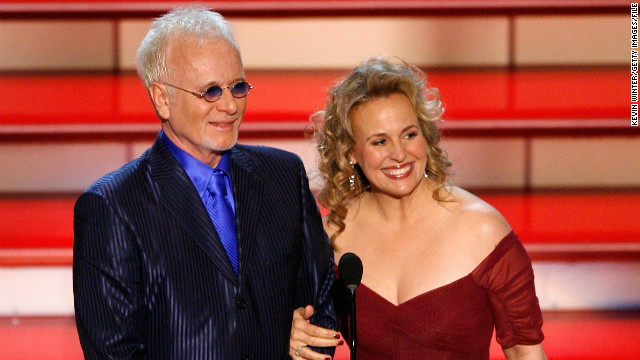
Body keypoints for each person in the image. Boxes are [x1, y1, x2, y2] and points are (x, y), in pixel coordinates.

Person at [73, 6, 338, 359]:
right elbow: (113, 352)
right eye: (211, 91)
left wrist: (304, 344)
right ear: (162, 98)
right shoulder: (111, 207)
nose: (229, 106)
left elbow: (321, 302)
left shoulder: (283, 176)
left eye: (238, 87)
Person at [289, 56, 546, 359]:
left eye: (409, 134)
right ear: (351, 153)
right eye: (380, 142)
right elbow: (303, 331)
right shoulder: (332, 235)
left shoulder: (484, 230)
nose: (399, 154)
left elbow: (525, 353)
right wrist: (290, 333)